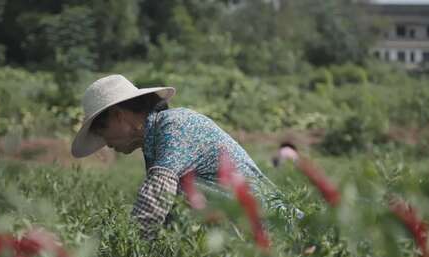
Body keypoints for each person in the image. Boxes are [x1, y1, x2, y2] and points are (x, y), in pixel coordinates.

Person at [71, 75, 294, 240]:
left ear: (119, 116)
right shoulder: (155, 143)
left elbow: (156, 198)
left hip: (279, 233)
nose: (107, 144)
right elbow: (169, 214)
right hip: (248, 237)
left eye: (103, 132)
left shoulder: (174, 125)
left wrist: (127, 255)